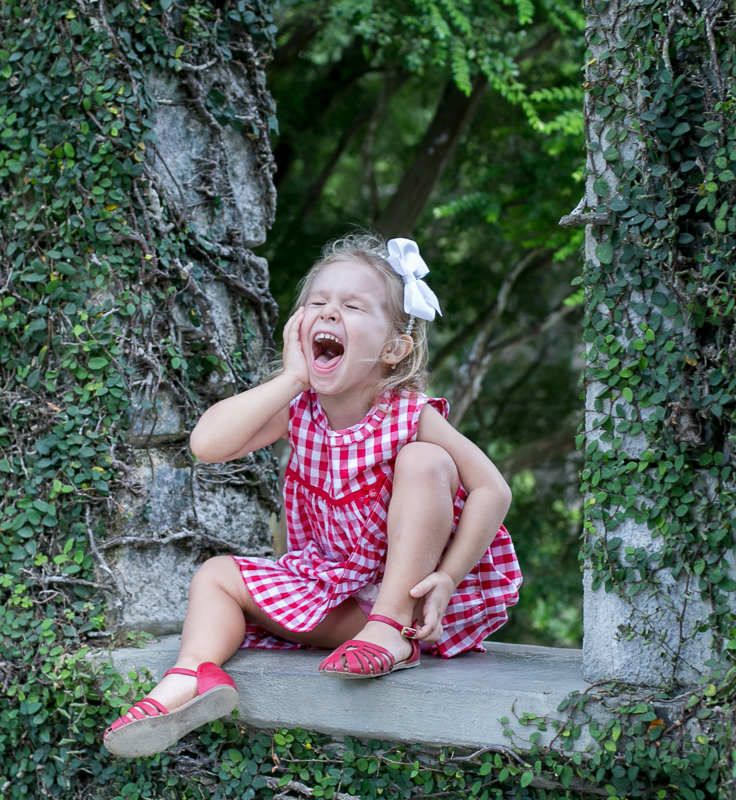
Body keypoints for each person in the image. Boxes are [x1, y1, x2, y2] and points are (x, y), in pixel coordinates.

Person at [103, 233, 521, 758]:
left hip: (415, 608)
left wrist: (448, 576)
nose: (329, 312)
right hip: (338, 603)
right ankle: (191, 678)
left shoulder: (408, 414)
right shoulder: (299, 408)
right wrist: (293, 378)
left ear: (394, 349)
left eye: (352, 306)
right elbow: (206, 445)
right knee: (216, 575)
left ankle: (390, 628)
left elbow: (492, 489)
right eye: (317, 302)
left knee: (425, 461)